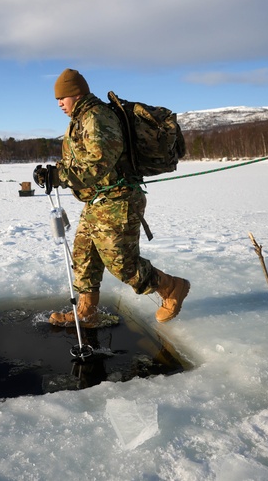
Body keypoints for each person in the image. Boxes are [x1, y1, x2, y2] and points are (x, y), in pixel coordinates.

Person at [33, 68, 190, 327]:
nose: (59, 103)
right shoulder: (80, 119)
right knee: (84, 257)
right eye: (57, 99)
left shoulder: (97, 116)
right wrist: (54, 172)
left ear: (77, 93)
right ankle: (86, 312)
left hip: (118, 200)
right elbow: (80, 160)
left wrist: (60, 177)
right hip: (97, 201)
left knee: (123, 264)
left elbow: (99, 162)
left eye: (63, 97)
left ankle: (172, 287)